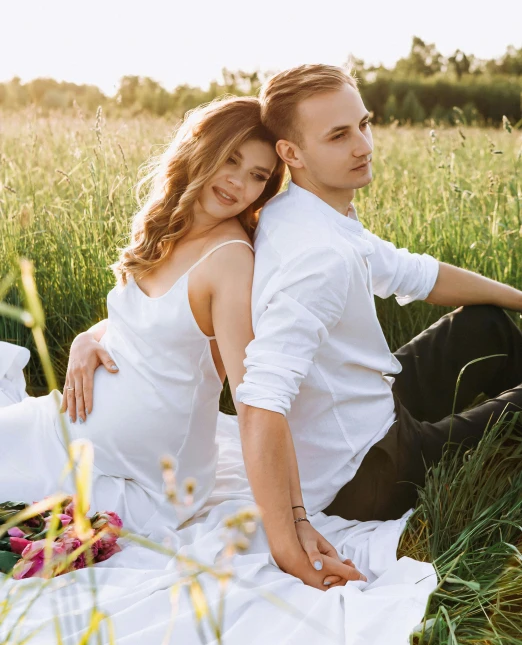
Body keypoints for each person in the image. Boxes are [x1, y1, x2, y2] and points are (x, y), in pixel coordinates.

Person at [0, 95, 363, 589]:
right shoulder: (168, 226)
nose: (239, 182)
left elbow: (255, 402)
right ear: (198, 149)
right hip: (66, 433)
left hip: (135, 479)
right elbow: (149, 322)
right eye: (231, 159)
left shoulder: (229, 260)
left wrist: (290, 538)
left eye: (258, 175)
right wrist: (89, 336)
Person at [234, 64, 522, 557]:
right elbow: (260, 399)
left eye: (364, 124)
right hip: (368, 473)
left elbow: (415, 273)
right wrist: (289, 539)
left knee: (485, 322)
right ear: (291, 152)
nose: (363, 145)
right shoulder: (317, 258)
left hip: (366, 408)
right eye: (339, 135)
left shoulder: (301, 209)